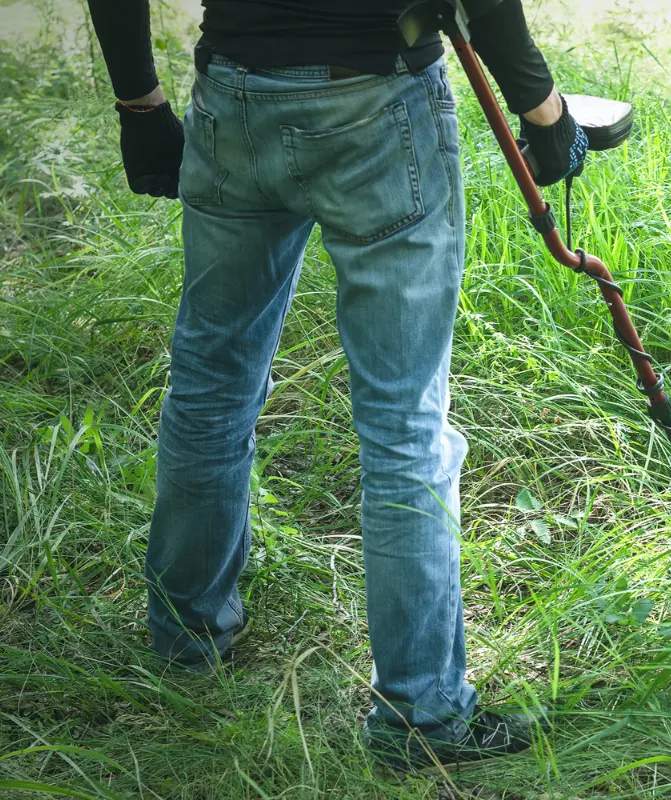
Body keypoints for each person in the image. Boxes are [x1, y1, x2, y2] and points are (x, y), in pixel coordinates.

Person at [85, 0, 586, 771]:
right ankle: (423, 715)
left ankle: (186, 637)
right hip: (377, 99)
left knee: (210, 387)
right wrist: (545, 112)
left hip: (235, 94)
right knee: (402, 421)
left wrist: (138, 102)